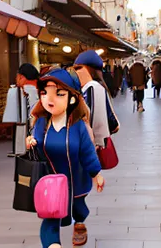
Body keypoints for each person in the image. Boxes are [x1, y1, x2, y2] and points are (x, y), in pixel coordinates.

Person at [25, 68, 104, 247]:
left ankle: (80, 222)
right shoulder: (41, 123)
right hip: (50, 182)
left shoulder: (78, 126)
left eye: (59, 94)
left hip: (76, 178)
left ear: (72, 98)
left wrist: (96, 174)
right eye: (44, 93)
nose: (49, 99)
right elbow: (36, 147)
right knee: (51, 217)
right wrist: (31, 142)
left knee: (78, 207)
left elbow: (87, 152)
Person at [74, 50, 113, 148]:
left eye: (78, 68)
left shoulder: (91, 87)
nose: (76, 72)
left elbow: (87, 117)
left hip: (92, 145)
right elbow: (112, 123)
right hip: (98, 144)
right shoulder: (100, 87)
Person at [2, 63, 40, 156]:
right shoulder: (43, 90)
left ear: (21, 77)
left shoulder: (17, 92)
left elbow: (11, 118)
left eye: (17, 77)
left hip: (28, 130)